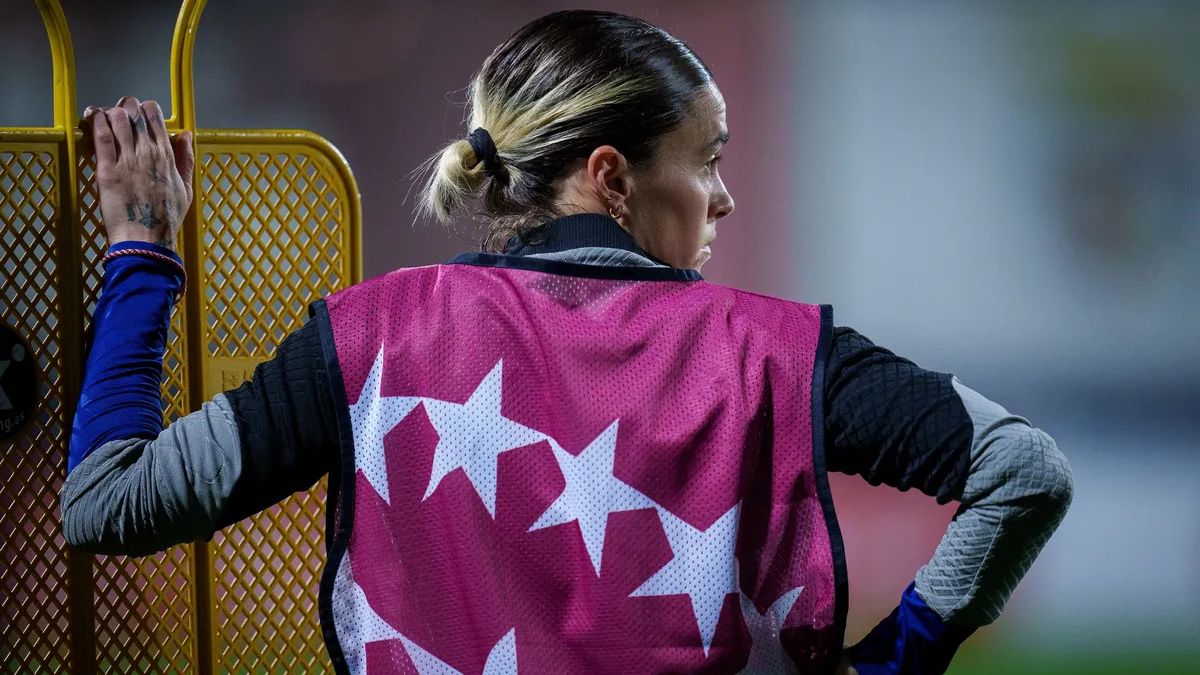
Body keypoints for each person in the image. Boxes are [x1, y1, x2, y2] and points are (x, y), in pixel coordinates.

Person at [60, 10, 1073, 675]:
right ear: (612, 176)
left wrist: (143, 250)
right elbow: (1024, 470)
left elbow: (107, 500)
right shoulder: (778, 352)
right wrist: (894, 661)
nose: (725, 195)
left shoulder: (370, 336)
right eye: (707, 159)